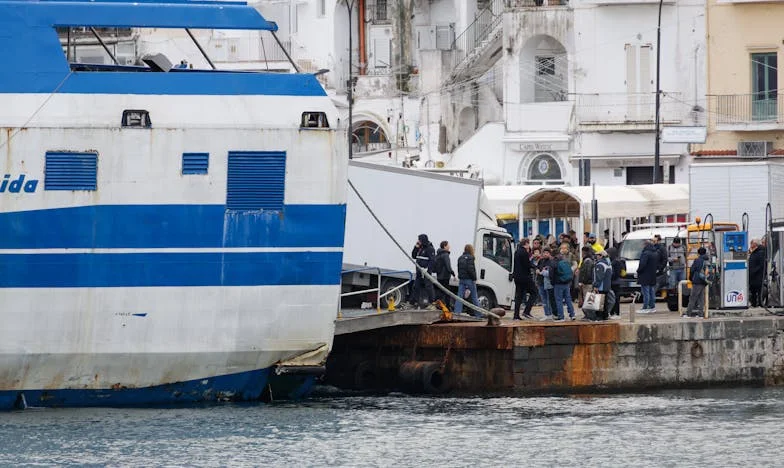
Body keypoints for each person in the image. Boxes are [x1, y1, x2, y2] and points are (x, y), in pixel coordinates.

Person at [454, 244, 481, 316]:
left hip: (462, 279)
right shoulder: (470, 258)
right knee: (474, 297)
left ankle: (457, 313)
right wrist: (474, 278)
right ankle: (479, 314)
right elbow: (471, 269)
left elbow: (459, 268)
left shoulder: (460, 258)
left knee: (459, 297)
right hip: (469, 279)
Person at [512, 239, 536, 320]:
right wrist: (535, 266)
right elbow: (527, 265)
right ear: (526, 244)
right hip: (525, 277)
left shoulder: (517, 252)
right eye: (528, 244)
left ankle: (516, 315)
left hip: (517, 277)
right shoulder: (524, 252)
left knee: (518, 296)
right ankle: (527, 311)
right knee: (534, 292)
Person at [410, 234, 435, 308]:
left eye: (419, 240)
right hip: (419, 271)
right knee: (416, 286)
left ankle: (432, 302)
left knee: (428, 286)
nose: (418, 241)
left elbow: (432, 260)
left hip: (426, 271)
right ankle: (413, 302)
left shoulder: (430, 248)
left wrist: (428, 269)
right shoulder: (420, 248)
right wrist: (416, 247)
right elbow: (414, 256)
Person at [685, 247, 710, 317]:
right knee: (701, 298)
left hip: (697, 281)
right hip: (704, 281)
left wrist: (691, 278)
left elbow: (692, 270)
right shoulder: (707, 260)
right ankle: (700, 314)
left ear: (698, 253)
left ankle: (688, 313)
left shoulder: (697, 260)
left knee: (693, 298)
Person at [552, 250, 576, 321]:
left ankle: (561, 316)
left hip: (558, 283)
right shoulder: (565, 261)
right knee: (568, 299)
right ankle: (572, 315)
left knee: (559, 300)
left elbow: (552, 274)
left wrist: (552, 282)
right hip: (566, 283)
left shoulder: (554, 262)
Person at [637, 239, 659, 313]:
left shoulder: (645, 253)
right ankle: (652, 306)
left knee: (645, 292)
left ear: (645, 245)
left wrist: (638, 270)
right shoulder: (655, 253)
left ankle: (645, 307)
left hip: (645, 275)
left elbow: (642, 264)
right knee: (651, 291)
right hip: (652, 275)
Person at [593, 249, 615, 321]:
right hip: (607, 286)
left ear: (601, 256)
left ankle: (599, 316)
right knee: (605, 302)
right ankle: (605, 316)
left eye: (598, 255)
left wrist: (596, 286)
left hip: (601, 286)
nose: (596, 257)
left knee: (599, 302)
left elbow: (599, 277)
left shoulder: (600, 265)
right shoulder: (608, 264)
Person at [535, 247, 556, 321]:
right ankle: (546, 314)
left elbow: (550, 272)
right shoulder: (541, 260)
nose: (545, 254)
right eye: (544, 253)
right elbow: (537, 267)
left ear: (550, 254)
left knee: (549, 299)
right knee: (543, 299)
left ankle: (550, 313)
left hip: (548, 283)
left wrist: (542, 272)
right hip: (540, 282)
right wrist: (537, 270)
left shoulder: (551, 261)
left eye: (547, 253)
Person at [433, 240, 456, 309]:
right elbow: (448, 266)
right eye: (448, 245)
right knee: (447, 292)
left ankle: (437, 305)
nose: (449, 246)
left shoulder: (438, 254)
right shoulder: (445, 255)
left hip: (439, 276)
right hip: (445, 276)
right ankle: (448, 307)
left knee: (440, 292)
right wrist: (453, 274)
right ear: (444, 246)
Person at [577, 246, 595, 318]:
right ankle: (588, 314)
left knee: (587, 299)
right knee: (587, 299)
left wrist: (583, 281)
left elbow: (587, 273)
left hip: (587, 283)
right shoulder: (588, 260)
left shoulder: (587, 261)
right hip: (587, 282)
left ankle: (589, 315)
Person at [608, 247, 625, 319]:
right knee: (616, 298)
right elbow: (623, 272)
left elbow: (614, 273)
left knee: (613, 298)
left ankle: (614, 313)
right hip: (618, 282)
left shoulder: (614, 262)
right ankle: (616, 312)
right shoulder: (620, 261)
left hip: (614, 283)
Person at [748, 238, 766, 307]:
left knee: (758, 290)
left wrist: (753, 271)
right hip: (753, 276)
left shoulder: (760, 252)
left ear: (755, 244)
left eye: (751, 243)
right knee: (753, 291)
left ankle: (760, 303)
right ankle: (754, 303)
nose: (750, 245)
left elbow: (761, 265)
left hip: (757, 276)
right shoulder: (755, 252)